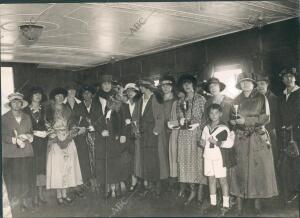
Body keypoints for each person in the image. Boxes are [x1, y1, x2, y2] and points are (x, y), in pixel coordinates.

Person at [229, 72, 278, 215]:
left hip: (256, 137)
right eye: (243, 82)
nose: (246, 84)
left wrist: (247, 121)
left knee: (257, 171)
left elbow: (266, 117)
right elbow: (233, 118)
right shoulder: (236, 99)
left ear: (253, 83)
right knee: (239, 170)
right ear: (240, 84)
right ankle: (239, 205)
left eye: (248, 82)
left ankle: (257, 205)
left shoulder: (261, 98)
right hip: (241, 138)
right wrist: (233, 123)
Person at [90, 74, 126, 198]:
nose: (106, 86)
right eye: (104, 83)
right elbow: (93, 117)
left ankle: (115, 188)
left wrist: (122, 134)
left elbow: (122, 117)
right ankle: (107, 189)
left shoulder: (116, 98)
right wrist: (100, 130)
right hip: (102, 136)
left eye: (109, 83)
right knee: (103, 162)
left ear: (111, 85)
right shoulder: (96, 99)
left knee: (114, 161)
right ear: (101, 85)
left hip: (114, 134)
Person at [46, 87, 83, 205]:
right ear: (54, 97)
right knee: (58, 168)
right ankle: (58, 195)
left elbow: (73, 124)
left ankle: (65, 194)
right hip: (55, 141)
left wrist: (69, 137)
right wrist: (56, 139)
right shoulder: (49, 110)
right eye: (57, 96)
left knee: (68, 167)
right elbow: (47, 125)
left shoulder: (68, 109)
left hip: (68, 140)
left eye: (62, 96)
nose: (60, 98)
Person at [176, 74, 207, 206]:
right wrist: (180, 120)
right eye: (184, 84)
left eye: (189, 83)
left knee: (197, 162)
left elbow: (206, 117)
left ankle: (199, 191)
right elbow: (179, 116)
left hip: (196, 134)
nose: (187, 86)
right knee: (185, 162)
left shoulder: (200, 98)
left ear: (193, 85)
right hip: (183, 135)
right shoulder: (180, 101)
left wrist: (198, 124)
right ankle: (192, 190)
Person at [2, 92, 34, 212]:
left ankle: (25, 202)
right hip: (11, 154)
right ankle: (15, 203)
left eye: (18, 102)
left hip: (26, 152)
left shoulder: (27, 117)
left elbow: (30, 131)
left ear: (22, 104)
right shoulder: (4, 118)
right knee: (14, 179)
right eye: (14, 102)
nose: (16, 104)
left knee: (25, 177)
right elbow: (2, 136)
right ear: (10, 104)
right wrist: (14, 140)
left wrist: (29, 136)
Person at [201, 104, 235, 216]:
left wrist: (217, 142)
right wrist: (201, 143)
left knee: (222, 180)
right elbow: (203, 141)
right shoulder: (206, 127)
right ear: (209, 115)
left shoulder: (223, 128)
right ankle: (213, 203)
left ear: (220, 114)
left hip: (219, 157)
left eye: (216, 113)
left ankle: (225, 205)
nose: (213, 115)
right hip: (208, 156)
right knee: (211, 179)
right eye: (211, 113)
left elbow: (230, 143)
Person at [136, 78, 165, 197]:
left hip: (153, 135)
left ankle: (157, 188)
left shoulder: (156, 99)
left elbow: (160, 116)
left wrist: (156, 131)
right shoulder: (140, 100)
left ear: (147, 87)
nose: (140, 88)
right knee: (144, 161)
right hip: (142, 135)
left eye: (141, 86)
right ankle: (148, 186)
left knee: (154, 160)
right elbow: (135, 117)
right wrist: (136, 127)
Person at [277, 67, 300, 205]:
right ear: (282, 80)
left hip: (298, 133)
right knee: (287, 165)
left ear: (295, 78)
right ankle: (292, 192)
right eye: (285, 77)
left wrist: (296, 124)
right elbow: (279, 115)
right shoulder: (282, 96)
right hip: (286, 135)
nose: (288, 79)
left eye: (291, 76)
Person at [24, 87, 48, 207]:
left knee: (41, 168)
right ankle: (33, 196)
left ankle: (40, 194)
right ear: (31, 96)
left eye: (39, 94)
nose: (38, 96)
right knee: (32, 169)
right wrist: (34, 133)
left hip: (43, 144)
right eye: (35, 94)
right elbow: (23, 128)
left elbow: (49, 123)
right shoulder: (25, 110)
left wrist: (48, 132)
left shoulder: (45, 109)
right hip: (30, 144)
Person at [74, 85, 97, 193]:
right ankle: (87, 180)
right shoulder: (78, 106)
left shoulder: (97, 105)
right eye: (84, 93)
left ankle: (97, 180)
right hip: (82, 137)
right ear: (81, 95)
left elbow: (101, 120)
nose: (86, 95)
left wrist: (91, 127)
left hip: (96, 136)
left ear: (92, 94)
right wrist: (77, 128)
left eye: (88, 93)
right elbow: (73, 121)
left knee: (96, 157)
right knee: (84, 158)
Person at [119, 83, 142, 191]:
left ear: (136, 91)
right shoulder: (125, 104)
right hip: (128, 135)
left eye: (132, 90)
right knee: (129, 158)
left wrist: (133, 122)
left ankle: (140, 181)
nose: (130, 92)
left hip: (139, 134)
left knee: (139, 157)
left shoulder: (140, 103)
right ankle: (132, 180)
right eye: (128, 91)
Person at [158, 75, 177, 192]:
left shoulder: (176, 100)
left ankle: (174, 180)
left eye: (168, 85)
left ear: (172, 87)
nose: (165, 87)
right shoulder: (158, 100)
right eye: (163, 85)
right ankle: (164, 179)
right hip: (161, 132)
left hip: (173, 131)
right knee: (163, 155)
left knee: (173, 155)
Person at [256, 74, 279, 164]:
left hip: (271, 130)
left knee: (272, 155)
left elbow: (276, 118)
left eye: (262, 83)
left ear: (267, 84)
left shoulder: (274, 99)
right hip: (258, 131)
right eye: (257, 85)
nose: (260, 86)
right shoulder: (256, 98)